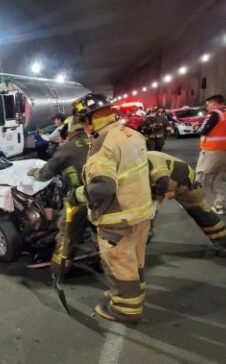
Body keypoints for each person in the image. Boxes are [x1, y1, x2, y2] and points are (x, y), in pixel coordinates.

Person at [71, 93, 153, 323]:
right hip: (141, 212)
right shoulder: (132, 134)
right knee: (136, 260)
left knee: (118, 264)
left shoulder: (102, 145)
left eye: (82, 121)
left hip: (118, 218)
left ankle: (124, 309)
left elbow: (103, 187)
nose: (83, 127)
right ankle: (132, 294)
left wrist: (75, 195)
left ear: (89, 120)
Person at [27, 115, 92, 272]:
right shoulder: (94, 142)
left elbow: (45, 174)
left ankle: (60, 269)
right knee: (100, 233)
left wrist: (33, 173)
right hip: (100, 196)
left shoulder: (67, 148)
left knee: (65, 234)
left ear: (69, 130)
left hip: (79, 198)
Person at [147, 151, 226, 257]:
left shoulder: (150, 162)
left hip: (183, 180)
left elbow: (162, 184)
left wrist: (150, 217)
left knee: (200, 212)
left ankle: (223, 242)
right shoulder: (137, 159)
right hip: (167, 179)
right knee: (148, 213)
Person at [195, 94, 226, 215]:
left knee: (202, 175)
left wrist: (197, 127)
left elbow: (203, 130)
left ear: (213, 103)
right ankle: (219, 205)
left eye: (208, 104)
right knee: (219, 178)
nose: (207, 107)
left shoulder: (215, 114)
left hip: (213, 150)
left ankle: (194, 202)